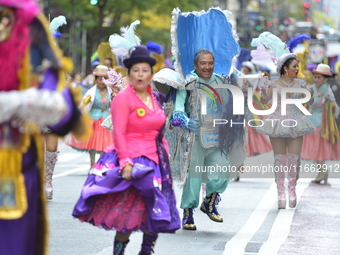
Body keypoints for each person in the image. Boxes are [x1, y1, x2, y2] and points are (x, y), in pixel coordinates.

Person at [72, 45, 180, 255]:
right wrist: (126, 162)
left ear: (151, 73)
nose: (140, 75)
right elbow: (119, 132)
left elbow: (160, 133)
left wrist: (166, 161)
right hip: (130, 160)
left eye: (145, 70)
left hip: (154, 161)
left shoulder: (156, 99)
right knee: (128, 215)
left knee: (155, 211)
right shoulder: (123, 99)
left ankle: (146, 251)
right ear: (129, 74)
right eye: (136, 70)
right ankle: (118, 252)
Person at [0, 1, 89, 254]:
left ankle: (48, 180)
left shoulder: (26, 26)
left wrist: (28, 103)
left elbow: (60, 106)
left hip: (11, 167)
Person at [171, 49, 241, 230]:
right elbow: (177, 111)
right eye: (203, 63)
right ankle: (188, 212)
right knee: (193, 177)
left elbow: (229, 108)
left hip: (216, 136)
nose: (207, 67)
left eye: (210, 63)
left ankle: (209, 202)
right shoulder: (187, 83)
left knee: (223, 167)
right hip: (194, 138)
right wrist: (185, 120)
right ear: (195, 65)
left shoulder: (220, 82)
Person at [252, 32, 316, 209]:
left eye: (297, 66)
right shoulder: (273, 84)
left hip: (297, 123)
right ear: (285, 68)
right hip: (277, 122)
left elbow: (308, 104)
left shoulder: (302, 85)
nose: (297, 69)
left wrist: (310, 96)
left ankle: (292, 189)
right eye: (295, 66)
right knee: (279, 159)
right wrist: (264, 91)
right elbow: (265, 102)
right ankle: (281, 192)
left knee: (294, 159)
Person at [66, 65, 113, 170]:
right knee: (92, 145)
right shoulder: (91, 92)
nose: (102, 82)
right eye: (100, 79)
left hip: (105, 121)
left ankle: (101, 165)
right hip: (93, 121)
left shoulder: (110, 92)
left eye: (104, 79)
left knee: (104, 145)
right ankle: (92, 164)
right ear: (96, 80)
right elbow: (84, 105)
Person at [301, 64, 340, 184]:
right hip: (313, 122)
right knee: (316, 150)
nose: (316, 79)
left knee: (318, 150)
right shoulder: (313, 88)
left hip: (322, 125)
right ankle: (322, 172)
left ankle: (322, 172)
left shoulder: (327, 92)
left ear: (325, 79)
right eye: (316, 77)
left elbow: (315, 102)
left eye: (319, 78)